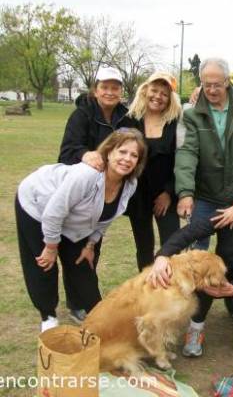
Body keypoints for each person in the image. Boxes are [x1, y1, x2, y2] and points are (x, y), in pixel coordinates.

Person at [16, 129, 146, 332]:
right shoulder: (87, 175)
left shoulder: (130, 184)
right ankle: (48, 316)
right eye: (122, 152)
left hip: (70, 218)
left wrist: (90, 244)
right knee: (44, 263)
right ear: (109, 152)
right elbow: (53, 214)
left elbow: (106, 218)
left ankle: (97, 315)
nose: (127, 159)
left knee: (82, 264)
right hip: (37, 204)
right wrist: (51, 247)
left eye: (134, 155)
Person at [147, 165, 233, 357]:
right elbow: (189, 233)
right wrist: (162, 256)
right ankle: (196, 328)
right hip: (221, 273)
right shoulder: (229, 214)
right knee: (202, 276)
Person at [57, 66, 134, 322]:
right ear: (96, 89)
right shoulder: (81, 114)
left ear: (121, 91)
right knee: (75, 246)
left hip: (109, 191)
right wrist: (85, 154)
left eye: (115, 87)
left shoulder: (127, 117)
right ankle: (77, 303)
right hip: (81, 193)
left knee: (93, 245)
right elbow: (67, 152)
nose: (110, 92)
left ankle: (81, 296)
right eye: (105, 87)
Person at [174, 57, 233, 249]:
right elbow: (186, 153)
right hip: (204, 195)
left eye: (217, 85)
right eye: (207, 85)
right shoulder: (191, 114)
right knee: (196, 252)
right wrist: (185, 193)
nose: (212, 90)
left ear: (228, 81)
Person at [126, 72, 182, 270]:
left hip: (165, 195)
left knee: (172, 246)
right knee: (144, 247)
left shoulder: (175, 124)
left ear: (170, 99)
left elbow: (181, 161)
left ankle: (171, 290)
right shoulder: (130, 120)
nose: (158, 96)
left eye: (164, 94)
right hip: (137, 195)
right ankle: (146, 290)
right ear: (145, 90)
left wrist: (168, 192)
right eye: (154, 90)